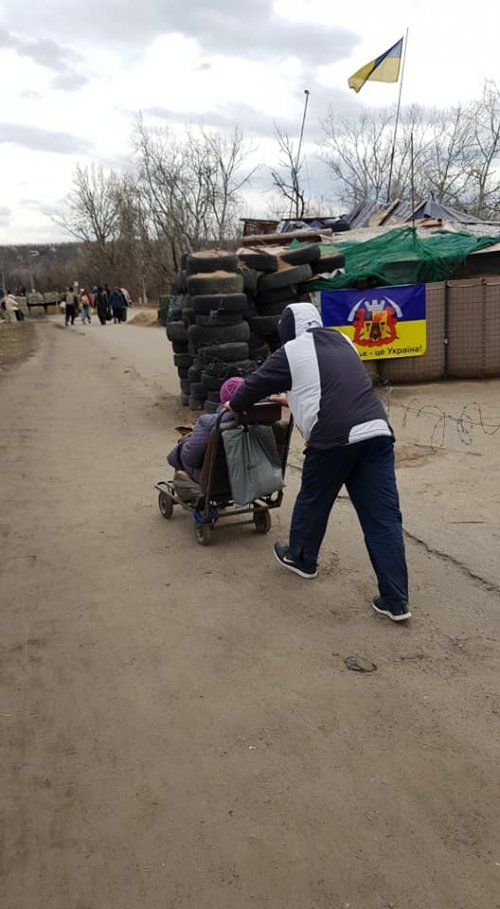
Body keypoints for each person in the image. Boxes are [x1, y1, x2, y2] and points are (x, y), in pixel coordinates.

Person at [226, 302, 410, 623]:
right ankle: (396, 600)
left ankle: (301, 558)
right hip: (376, 431)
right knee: (383, 519)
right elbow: (334, 385)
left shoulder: (291, 350)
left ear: (287, 330)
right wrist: (291, 398)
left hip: (334, 438)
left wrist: (234, 403)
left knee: (314, 499)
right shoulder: (344, 340)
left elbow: (253, 386)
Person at [167, 377, 245, 483]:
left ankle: (183, 483)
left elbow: (190, 459)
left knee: (180, 454)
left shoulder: (208, 422)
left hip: (216, 479)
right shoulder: (262, 418)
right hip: (250, 473)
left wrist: (184, 445)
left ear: (224, 400)